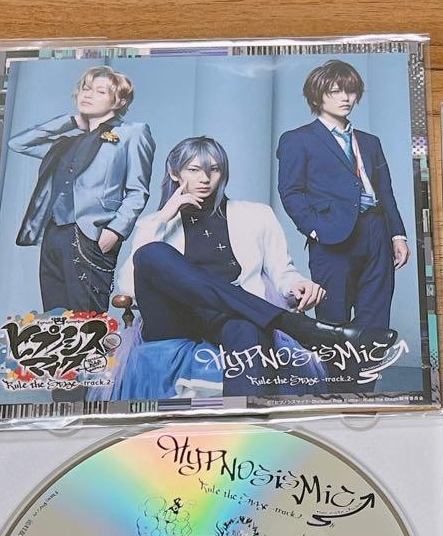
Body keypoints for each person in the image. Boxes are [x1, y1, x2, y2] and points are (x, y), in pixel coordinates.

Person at [116, 136, 392, 397]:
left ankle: (246, 420)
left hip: (229, 315)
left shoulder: (256, 215)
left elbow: (282, 271)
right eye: (194, 170)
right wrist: (163, 217)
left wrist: (297, 284)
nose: (205, 179)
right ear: (175, 173)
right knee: (151, 253)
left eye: (214, 169)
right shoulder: (155, 224)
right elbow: (129, 287)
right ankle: (297, 326)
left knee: (250, 330)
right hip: (172, 320)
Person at [9, 65, 155, 315]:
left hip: (92, 234)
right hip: (53, 233)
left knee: (88, 318)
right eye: (85, 89)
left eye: (100, 91)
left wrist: (115, 231)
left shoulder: (132, 133)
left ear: (119, 101)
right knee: (54, 317)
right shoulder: (66, 142)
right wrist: (70, 122)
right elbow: (18, 143)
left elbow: (137, 190)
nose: (88, 94)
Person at [277, 59, 409, 333]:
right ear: (317, 96)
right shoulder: (297, 139)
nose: (345, 98)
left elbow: (385, 192)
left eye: (350, 91)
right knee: (332, 321)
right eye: (335, 91)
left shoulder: (371, 142)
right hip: (332, 237)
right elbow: (290, 191)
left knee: (375, 319)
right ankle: (337, 365)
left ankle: (368, 364)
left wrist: (398, 235)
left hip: (376, 232)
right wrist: (314, 229)